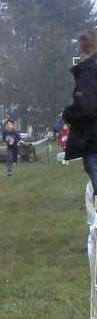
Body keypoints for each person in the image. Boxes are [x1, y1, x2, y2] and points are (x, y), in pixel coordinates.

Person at [63, 29, 97, 197]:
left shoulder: (87, 74)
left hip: (93, 139)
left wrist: (68, 114)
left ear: (82, 48)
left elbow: (87, 108)